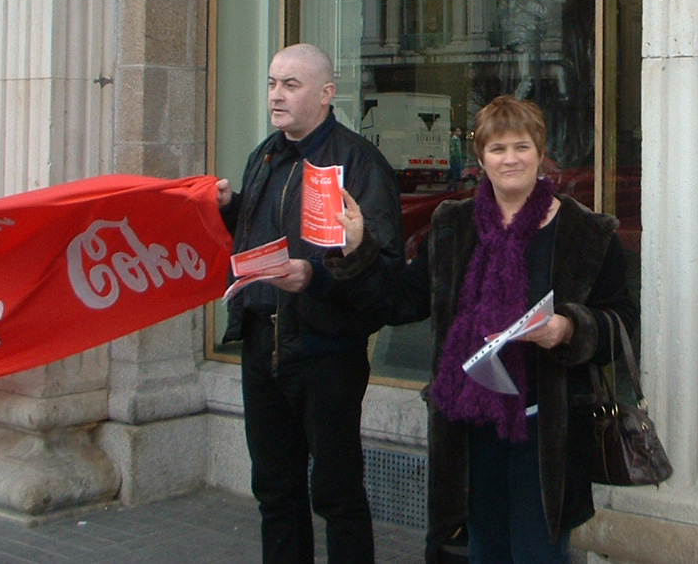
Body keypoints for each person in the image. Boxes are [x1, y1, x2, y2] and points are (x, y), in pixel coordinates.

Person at [326, 95, 638, 563]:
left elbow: (622, 322)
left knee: (538, 556)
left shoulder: (585, 233)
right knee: (484, 552)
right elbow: (401, 300)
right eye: (498, 149)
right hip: (469, 431)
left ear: (541, 153)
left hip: (546, 433)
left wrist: (569, 328)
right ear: (481, 159)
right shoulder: (452, 227)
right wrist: (358, 249)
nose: (510, 159)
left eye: (522, 146)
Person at [216, 43, 404, 564]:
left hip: (326, 351)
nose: (276, 96)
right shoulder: (265, 155)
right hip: (263, 346)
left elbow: (384, 271)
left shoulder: (359, 162)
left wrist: (315, 277)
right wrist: (230, 209)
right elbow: (260, 233)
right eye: (272, 83)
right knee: (275, 489)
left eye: (290, 85)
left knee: (337, 492)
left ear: (326, 94)